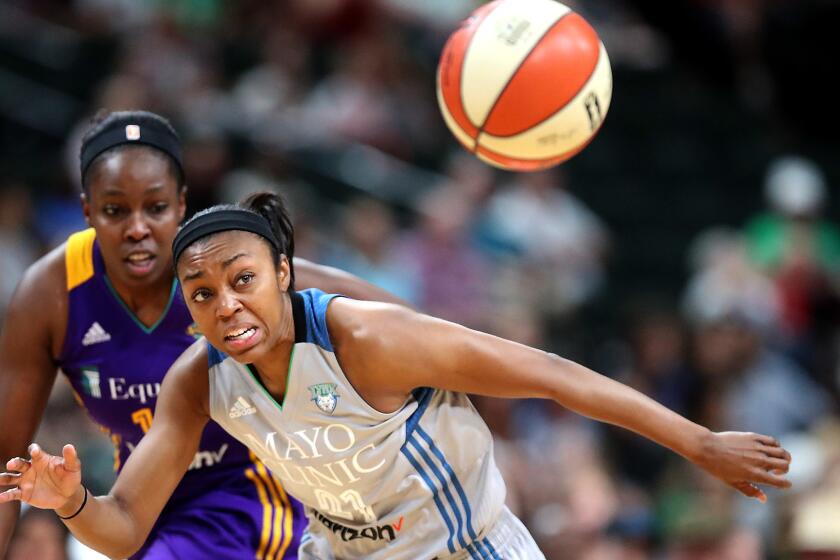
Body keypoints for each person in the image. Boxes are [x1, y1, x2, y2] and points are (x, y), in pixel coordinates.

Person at [0, 193, 792, 559]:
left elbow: (553, 375)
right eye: (202, 295)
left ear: (283, 272)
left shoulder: (369, 341)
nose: (225, 304)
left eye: (242, 279)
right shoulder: (197, 381)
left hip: (465, 550)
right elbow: (125, 528)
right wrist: (71, 501)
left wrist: (699, 442)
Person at [0, 111, 408, 559]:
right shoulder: (52, 294)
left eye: (155, 208)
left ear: (180, 205)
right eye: (116, 210)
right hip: (143, 504)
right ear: (87, 210)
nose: (138, 228)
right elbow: (5, 461)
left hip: (257, 493)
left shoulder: (221, 264)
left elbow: (397, 323)